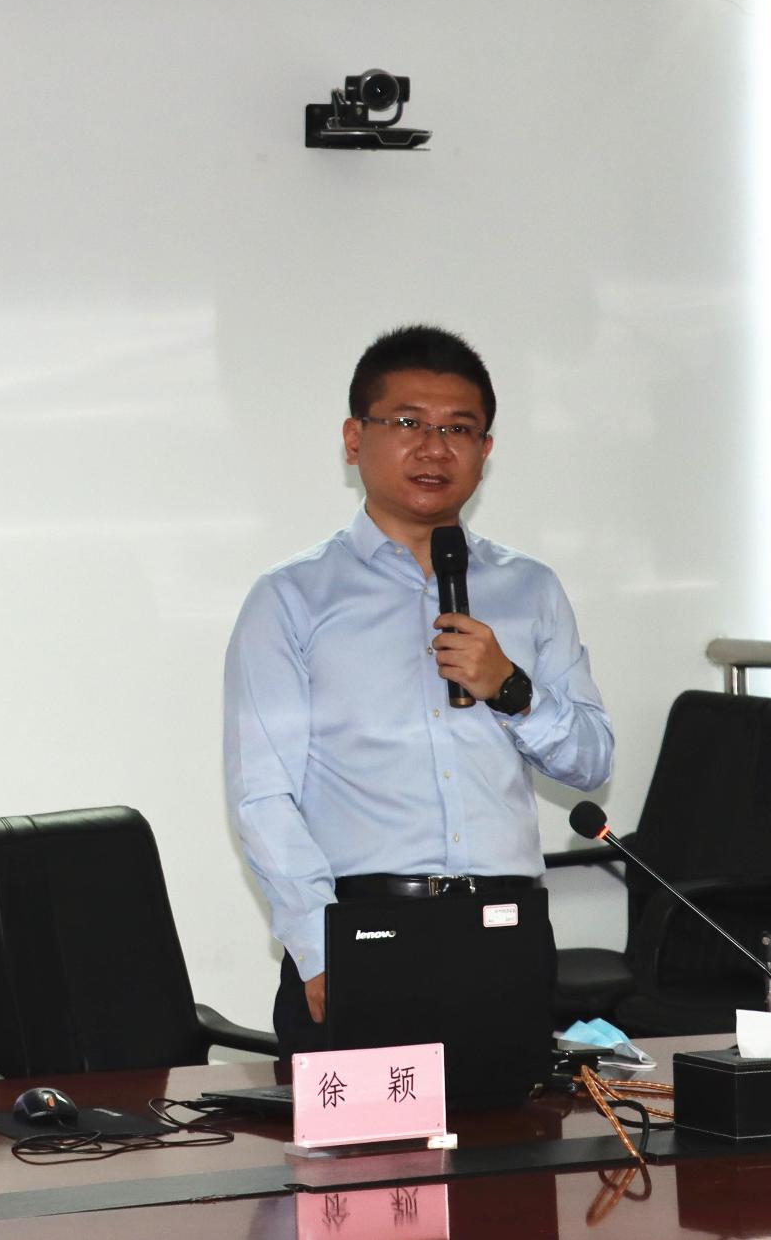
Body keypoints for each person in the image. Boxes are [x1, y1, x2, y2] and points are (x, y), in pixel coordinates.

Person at [222, 325, 614, 1058]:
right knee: (370, 1138)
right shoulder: (292, 596)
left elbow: (592, 762)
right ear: (354, 438)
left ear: (485, 450)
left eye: (459, 429)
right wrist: (318, 946)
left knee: (515, 1130)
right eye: (408, 423)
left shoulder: (530, 588)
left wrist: (512, 689)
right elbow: (262, 795)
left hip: (505, 932)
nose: (435, 448)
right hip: (364, 930)